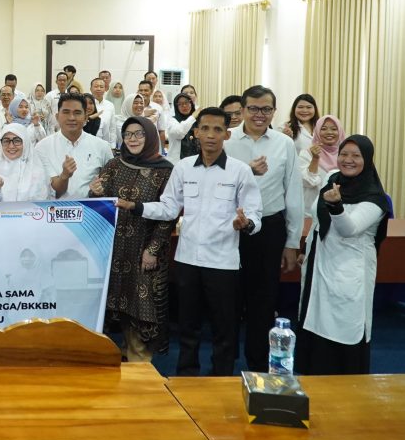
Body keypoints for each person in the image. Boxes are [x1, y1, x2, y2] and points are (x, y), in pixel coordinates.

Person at [115, 107, 262, 376]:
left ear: (227, 134)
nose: (210, 135)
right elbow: (168, 208)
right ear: (196, 133)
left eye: (217, 129)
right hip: (187, 260)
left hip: (223, 263)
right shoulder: (183, 168)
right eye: (205, 128)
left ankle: (221, 380)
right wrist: (135, 206)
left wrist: (247, 224)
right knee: (187, 327)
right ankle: (186, 378)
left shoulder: (240, 171)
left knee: (224, 330)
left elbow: (254, 214)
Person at [224, 85, 302, 373]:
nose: (260, 114)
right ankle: (224, 363)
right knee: (228, 298)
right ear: (243, 110)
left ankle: (258, 365)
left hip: (269, 228)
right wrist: (247, 169)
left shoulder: (284, 144)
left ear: (274, 111)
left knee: (263, 299)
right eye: (254, 108)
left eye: (266, 109)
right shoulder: (227, 141)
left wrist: (292, 242)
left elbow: (293, 193)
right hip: (231, 227)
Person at [298, 135, 390, 375]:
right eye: (344, 154)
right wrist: (306, 250)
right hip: (320, 264)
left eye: (356, 156)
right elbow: (317, 219)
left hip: (349, 270)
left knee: (344, 327)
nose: (348, 160)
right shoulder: (332, 178)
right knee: (316, 322)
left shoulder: (375, 198)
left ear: (367, 159)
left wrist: (337, 207)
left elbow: (349, 229)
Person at [89, 117, 174, 362]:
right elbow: (101, 202)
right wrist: (94, 192)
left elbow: (168, 214)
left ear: (150, 136)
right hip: (115, 250)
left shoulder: (165, 170)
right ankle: (123, 360)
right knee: (117, 306)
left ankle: (140, 366)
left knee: (141, 307)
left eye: (139, 134)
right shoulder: (114, 165)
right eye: (128, 134)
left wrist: (153, 249)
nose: (133, 139)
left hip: (144, 250)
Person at [35, 94, 113, 200]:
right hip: (53, 208)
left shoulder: (102, 147)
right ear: (57, 117)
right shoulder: (42, 147)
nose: (71, 118)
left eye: (77, 113)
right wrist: (64, 176)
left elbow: (111, 184)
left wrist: (100, 189)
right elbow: (48, 190)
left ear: (86, 118)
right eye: (66, 112)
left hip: (91, 209)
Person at [0, 123, 50, 201]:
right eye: (6, 141)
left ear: (25, 142)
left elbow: (42, 200)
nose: (11, 146)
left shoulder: (36, 167)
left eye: (17, 141)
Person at [298, 115, 346, 218]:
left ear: (340, 132)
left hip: (341, 210)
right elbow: (308, 182)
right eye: (323, 129)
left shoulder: (345, 154)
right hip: (312, 213)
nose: (329, 132)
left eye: (334, 129)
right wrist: (315, 159)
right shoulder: (307, 153)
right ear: (317, 132)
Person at [166, 93, 198, 163]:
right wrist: (192, 117)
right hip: (177, 162)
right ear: (176, 106)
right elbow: (179, 133)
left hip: (196, 160)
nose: (184, 106)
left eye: (186, 102)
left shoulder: (198, 120)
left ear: (191, 103)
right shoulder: (172, 120)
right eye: (180, 104)